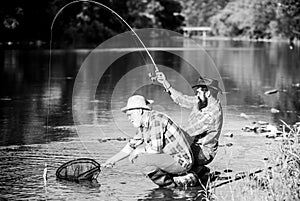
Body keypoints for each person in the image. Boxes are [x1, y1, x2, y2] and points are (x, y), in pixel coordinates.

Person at [103, 95, 198, 188]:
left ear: (139, 111)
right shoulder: (143, 125)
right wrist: (111, 160)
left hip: (182, 162)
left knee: (140, 159)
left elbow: (156, 149)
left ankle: (170, 186)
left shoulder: (156, 120)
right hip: (171, 158)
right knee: (140, 156)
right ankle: (174, 180)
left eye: (130, 115)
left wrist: (138, 151)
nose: (129, 119)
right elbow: (130, 146)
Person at [156, 72, 223, 176]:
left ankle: (181, 176)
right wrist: (165, 83)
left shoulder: (210, 115)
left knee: (166, 150)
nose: (197, 93)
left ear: (208, 93)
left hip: (203, 154)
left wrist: (162, 135)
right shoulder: (204, 101)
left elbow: (185, 133)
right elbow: (182, 99)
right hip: (194, 146)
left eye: (199, 91)